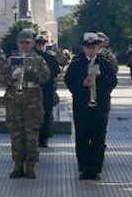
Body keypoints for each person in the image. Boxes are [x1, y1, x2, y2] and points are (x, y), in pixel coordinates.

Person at [65, 32, 118, 180]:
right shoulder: (76, 63)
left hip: (100, 105)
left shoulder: (104, 63)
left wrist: (101, 79)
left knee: (98, 137)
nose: (91, 50)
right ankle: (83, 168)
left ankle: (95, 169)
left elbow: (113, 82)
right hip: (82, 105)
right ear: (83, 48)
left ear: (98, 48)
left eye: (94, 47)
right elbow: (69, 81)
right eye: (88, 47)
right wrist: (82, 84)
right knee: (82, 136)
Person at [3, 29, 50, 179]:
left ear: (33, 44)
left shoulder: (38, 59)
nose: (24, 46)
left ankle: (30, 165)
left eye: (27, 43)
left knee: (31, 134)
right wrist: (12, 75)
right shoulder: (11, 59)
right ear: (17, 43)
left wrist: (31, 72)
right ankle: (17, 165)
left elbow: (45, 77)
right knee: (16, 133)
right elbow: (1, 77)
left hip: (32, 98)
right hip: (14, 98)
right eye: (21, 43)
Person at [35, 31, 61, 149]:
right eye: (38, 43)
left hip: (47, 90)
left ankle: (44, 138)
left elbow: (55, 72)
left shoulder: (51, 57)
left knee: (47, 114)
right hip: (34, 91)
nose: (41, 45)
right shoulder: (32, 57)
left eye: (43, 43)